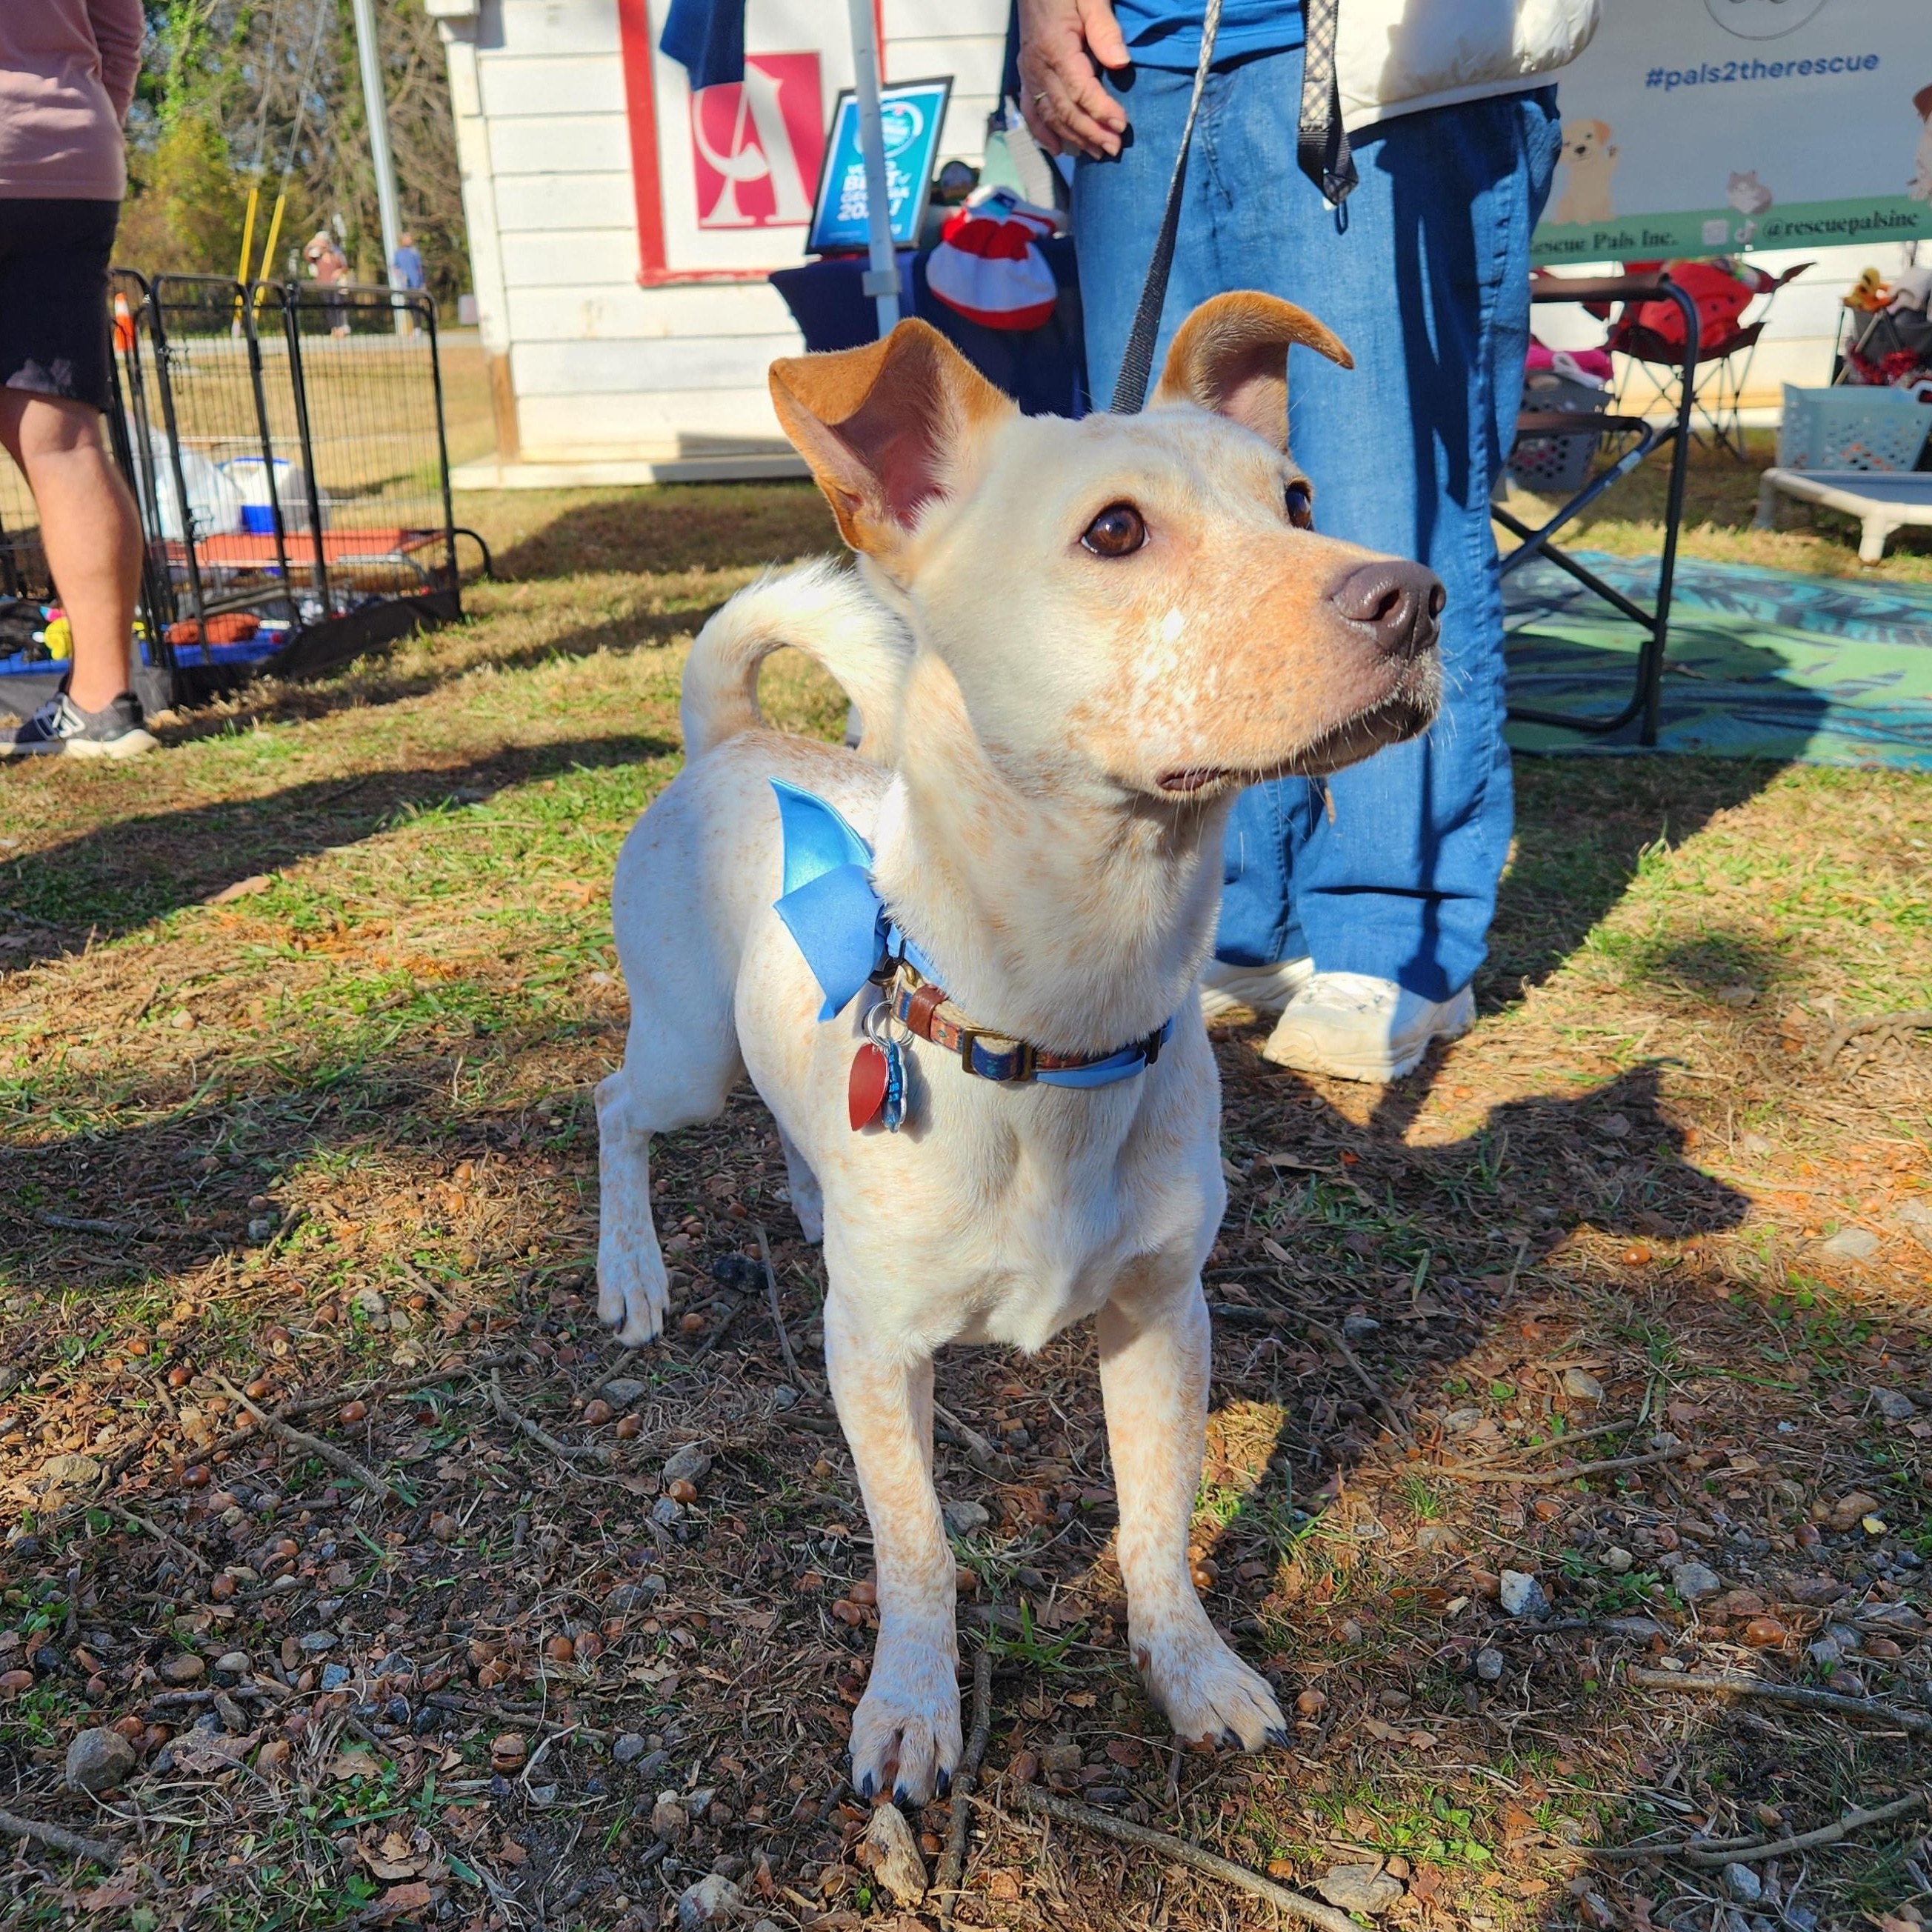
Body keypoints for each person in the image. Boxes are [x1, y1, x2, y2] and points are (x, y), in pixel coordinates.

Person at [1019, 0, 1595, 1081]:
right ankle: (1241, 916)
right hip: (1136, 66)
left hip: (1381, 68)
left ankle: (1395, 931)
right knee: (1177, 523)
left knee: (1378, 500)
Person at [0, 0, 155, 759]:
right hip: (69, 163)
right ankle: (104, 706)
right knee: (64, 443)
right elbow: (121, 32)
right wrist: (85, 119)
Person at [304, 227, 350, 336]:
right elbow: (306, 255)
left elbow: (345, 267)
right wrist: (311, 244)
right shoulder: (317, 258)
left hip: (335, 286)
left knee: (338, 306)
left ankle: (341, 328)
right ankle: (333, 328)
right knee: (328, 307)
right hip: (323, 286)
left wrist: (339, 272)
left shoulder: (336, 255)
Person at [390, 229, 424, 335]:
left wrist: (422, 282)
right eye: (408, 238)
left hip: (415, 283)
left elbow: (420, 267)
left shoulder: (414, 252)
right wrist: (401, 276)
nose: (410, 240)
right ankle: (415, 327)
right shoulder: (398, 253)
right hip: (406, 284)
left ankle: (418, 328)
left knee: (415, 304)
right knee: (411, 305)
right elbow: (394, 268)